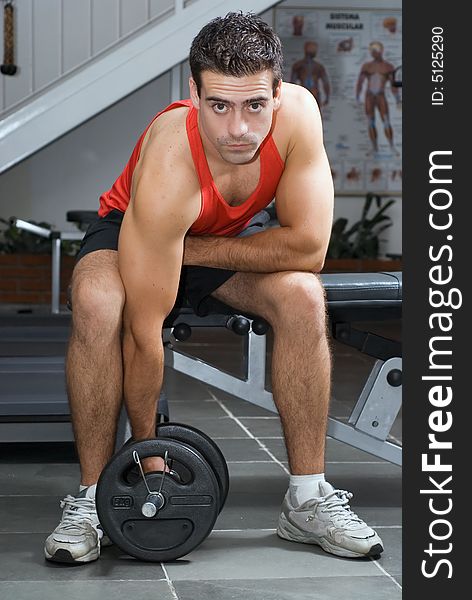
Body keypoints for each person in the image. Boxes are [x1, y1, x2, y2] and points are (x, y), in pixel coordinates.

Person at [44, 12, 383, 564]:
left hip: (218, 239)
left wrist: (189, 251)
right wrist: (150, 463)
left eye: (254, 105)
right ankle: (87, 501)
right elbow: (143, 336)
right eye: (219, 105)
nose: (238, 130)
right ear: (194, 95)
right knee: (98, 301)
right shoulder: (170, 163)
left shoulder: (299, 118)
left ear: (279, 93)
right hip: (137, 230)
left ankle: (307, 498)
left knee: (302, 295)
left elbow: (308, 249)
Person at [355, 41, 401, 155]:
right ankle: (374, 147)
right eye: (372, 51)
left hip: (380, 96)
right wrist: (357, 97)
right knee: (371, 122)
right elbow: (360, 83)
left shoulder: (388, 67)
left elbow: (393, 85)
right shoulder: (367, 66)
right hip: (369, 96)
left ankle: (391, 146)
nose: (374, 53)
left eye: (376, 50)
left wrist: (397, 100)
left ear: (381, 50)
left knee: (386, 121)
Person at [290, 41, 330, 107]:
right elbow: (325, 83)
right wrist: (327, 97)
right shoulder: (318, 66)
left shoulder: (298, 65)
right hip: (312, 94)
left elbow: (292, 83)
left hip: (304, 95)